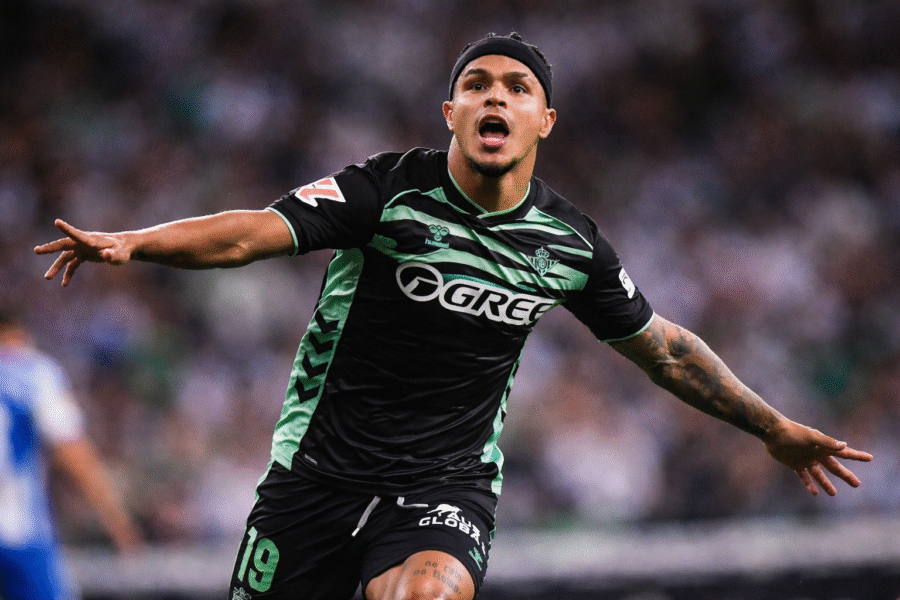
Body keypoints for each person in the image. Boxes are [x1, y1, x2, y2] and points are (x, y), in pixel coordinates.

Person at [34, 32, 872, 600]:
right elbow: (253, 232)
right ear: (451, 115)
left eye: (516, 87)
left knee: (428, 591)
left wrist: (771, 426)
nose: (493, 98)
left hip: (443, 484)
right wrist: (137, 243)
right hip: (315, 478)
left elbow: (665, 352)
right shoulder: (386, 188)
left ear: (544, 120)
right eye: (475, 85)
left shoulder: (569, 244)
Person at [0, 308, 142, 600]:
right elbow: (75, 454)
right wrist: (118, 521)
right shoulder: (29, 370)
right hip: (17, 534)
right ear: (14, 333)